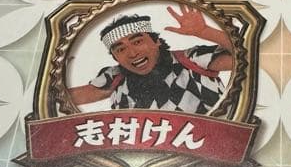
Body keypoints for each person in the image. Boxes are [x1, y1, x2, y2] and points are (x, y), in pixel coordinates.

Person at [68, 7, 233, 114]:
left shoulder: (191, 59)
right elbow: (63, 98)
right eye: (121, 49)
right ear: (115, 57)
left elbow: (244, 57)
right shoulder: (114, 77)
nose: (132, 53)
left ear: (157, 41)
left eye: (137, 42)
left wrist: (205, 31)